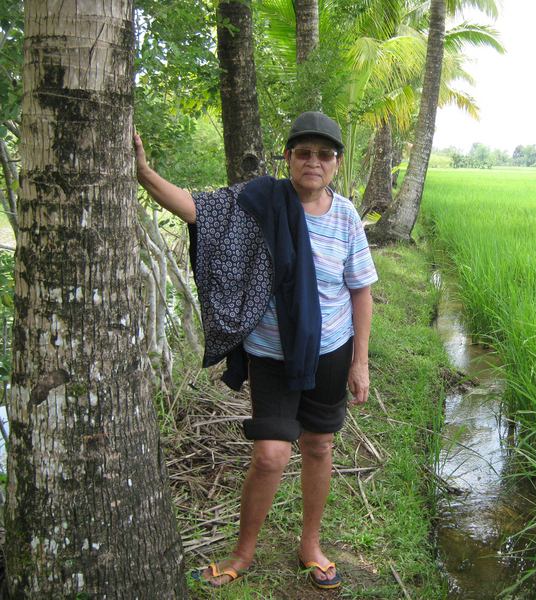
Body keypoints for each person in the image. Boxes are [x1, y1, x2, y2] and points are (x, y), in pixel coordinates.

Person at [134, 111, 378, 589]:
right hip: (269, 353)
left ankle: (310, 543)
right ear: (287, 158)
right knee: (270, 455)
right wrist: (144, 173)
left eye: (324, 154)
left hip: (330, 351)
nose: (313, 161)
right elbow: (194, 209)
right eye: (303, 153)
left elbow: (360, 291)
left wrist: (360, 361)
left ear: (336, 164)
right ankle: (242, 552)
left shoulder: (346, 216)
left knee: (319, 445)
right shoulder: (258, 202)